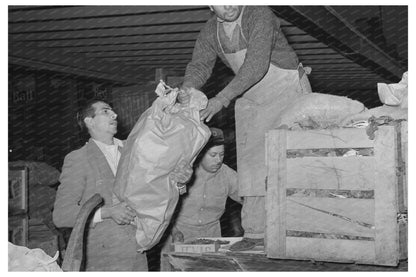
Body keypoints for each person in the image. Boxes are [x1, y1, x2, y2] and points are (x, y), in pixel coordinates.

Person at [178, 6, 312, 251]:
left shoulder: (259, 13)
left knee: (293, 162)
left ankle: (305, 229)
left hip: (286, 89)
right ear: (209, 5)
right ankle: (255, 232)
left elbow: (256, 64)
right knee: (251, 163)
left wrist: (220, 99)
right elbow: (199, 66)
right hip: (253, 94)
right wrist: (189, 88)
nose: (229, 5)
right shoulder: (210, 32)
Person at [53, 99, 192, 271]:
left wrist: (177, 182)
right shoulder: (78, 159)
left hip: (137, 252)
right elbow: (61, 215)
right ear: (89, 121)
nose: (114, 114)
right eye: (105, 111)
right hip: (103, 258)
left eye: (112, 110)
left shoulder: (134, 149)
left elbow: (154, 190)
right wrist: (107, 212)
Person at [169, 127, 242, 243]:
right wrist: (173, 231)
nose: (218, 160)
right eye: (213, 155)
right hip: (179, 235)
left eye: (221, 154)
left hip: (212, 236)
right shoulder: (182, 173)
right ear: (200, 154)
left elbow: (247, 198)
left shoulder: (227, 174)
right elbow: (162, 208)